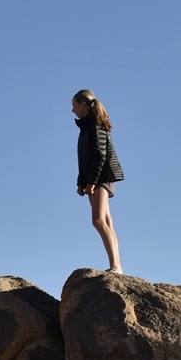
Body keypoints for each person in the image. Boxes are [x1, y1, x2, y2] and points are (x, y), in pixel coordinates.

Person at [72, 89, 125, 273]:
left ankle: (116, 266)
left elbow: (101, 155)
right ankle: (117, 265)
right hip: (95, 177)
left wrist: (92, 182)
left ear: (84, 104)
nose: (73, 110)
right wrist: (81, 181)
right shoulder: (87, 127)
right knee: (106, 221)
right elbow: (83, 158)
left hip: (102, 176)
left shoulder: (95, 125)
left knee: (98, 220)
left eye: (74, 105)